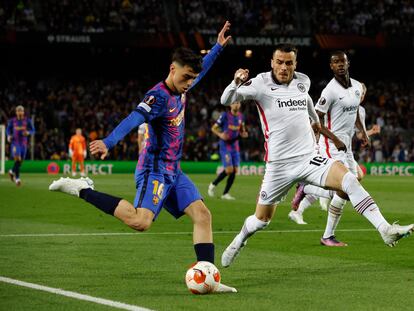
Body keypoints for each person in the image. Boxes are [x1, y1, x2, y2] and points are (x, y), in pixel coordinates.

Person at [49, 21, 236, 293]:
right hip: (154, 170)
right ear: (172, 69)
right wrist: (109, 142)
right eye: (185, 77)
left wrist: (218, 47)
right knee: (141, 221)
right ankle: (83, 189)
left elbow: (201, 69)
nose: (189, 84)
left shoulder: (183, 88)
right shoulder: (157, 96)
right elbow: (134, 117)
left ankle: (208, 276)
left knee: (203, 215)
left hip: (174, 170)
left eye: (192, 79)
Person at [219, 44, 413, 268]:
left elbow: (307, 102)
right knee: (261, 220)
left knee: (349, 179)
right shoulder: (260, 84)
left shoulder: (303, 81)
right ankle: (239, 240)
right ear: (272, 63)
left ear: (295, 64)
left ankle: (385, 229)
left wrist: (315, 122)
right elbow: (226, 99)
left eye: (289, 63)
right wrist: (236, 81)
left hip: (308, 158)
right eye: (279, 62)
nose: (284, 67)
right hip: (279, 166)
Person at [208, 101, 248, 200]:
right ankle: (213, 185)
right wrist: (221, 134)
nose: (236, 105)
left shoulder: (241, 117)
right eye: (234, 103)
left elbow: (242, 130)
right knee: (229, 170)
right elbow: (214, 128)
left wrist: (244, 134)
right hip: (225, 145)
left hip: (235, 146)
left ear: (240, 105)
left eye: (238, 103)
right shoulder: (225, 115)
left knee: (235, 170)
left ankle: (225, 194)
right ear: (230, 105)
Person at [7, 105, 35, 186]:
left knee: (19, 162)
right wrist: (8, 135)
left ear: (23, 112)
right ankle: (17, 178)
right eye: (18, 111)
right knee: (18, 159)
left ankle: (12, 172)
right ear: (16, 112)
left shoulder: (27, 120)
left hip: (24, 144)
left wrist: (28, 133)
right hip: (15, 143)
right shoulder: (12, 121)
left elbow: (33, 130)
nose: (19, 112)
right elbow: (8, 129)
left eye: (21, 111)